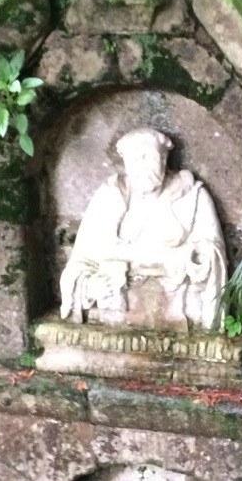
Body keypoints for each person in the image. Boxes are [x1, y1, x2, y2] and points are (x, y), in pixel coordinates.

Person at [59, 127, 227, 332]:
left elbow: (213, 254)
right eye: (135, 159)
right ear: (125, 163)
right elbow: (81, 262)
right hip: (117, 309)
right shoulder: (109, 197)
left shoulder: (192, 196)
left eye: (150, 157)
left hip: (178, 305)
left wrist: (195, 259)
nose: (142, 166)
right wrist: (92, 285)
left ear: (164, 160)